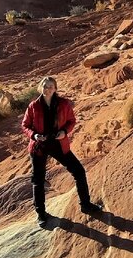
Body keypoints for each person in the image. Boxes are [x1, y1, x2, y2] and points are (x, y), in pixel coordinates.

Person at [20, 76, 100, 226]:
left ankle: (86, 204)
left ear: (55, 88)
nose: (48, 89)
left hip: (58, 144)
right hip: (39, 146)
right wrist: (34, 135)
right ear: (40, 88)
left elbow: (72, 121)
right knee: (38, 181)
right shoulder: (33, 106)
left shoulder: (63, 104)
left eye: (51, 86)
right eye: (45, 86)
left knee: (79, 171)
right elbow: (25, 125)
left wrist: (64, 131)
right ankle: (41, 214)